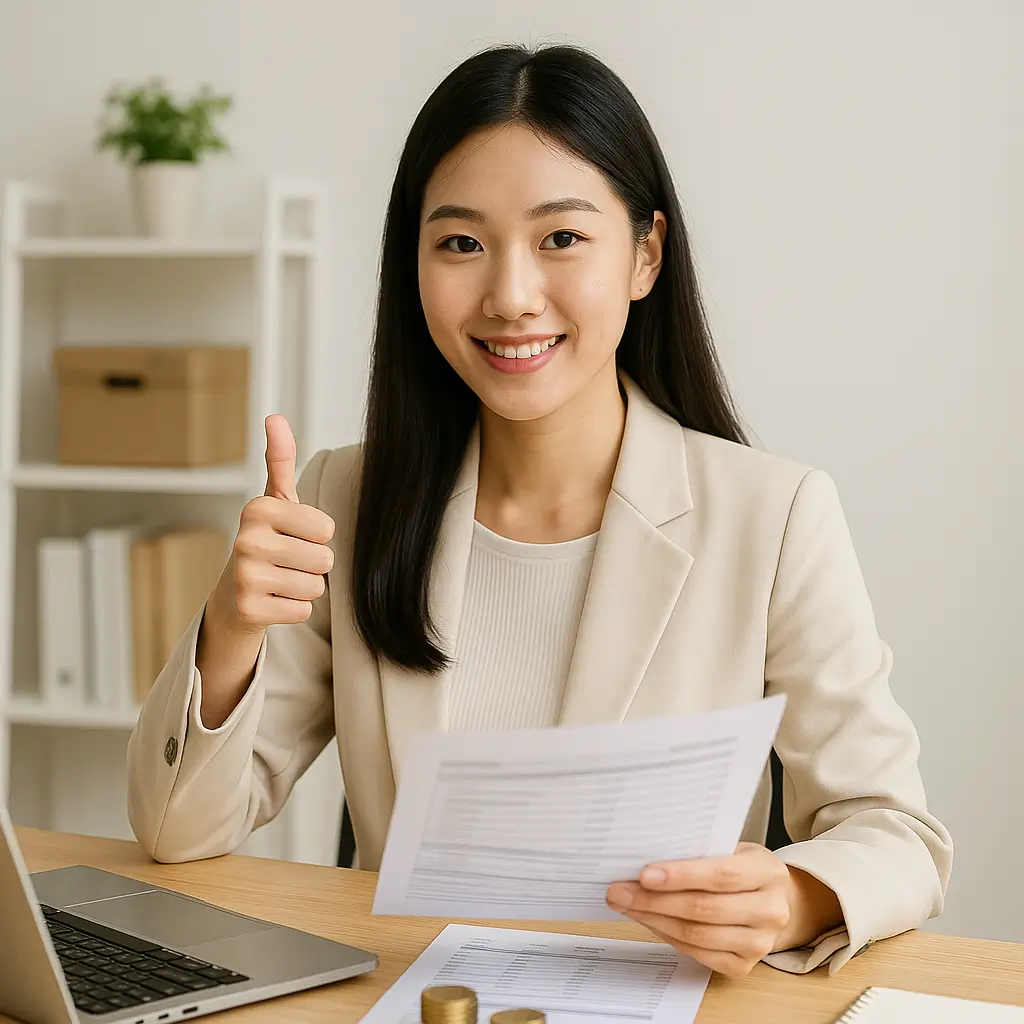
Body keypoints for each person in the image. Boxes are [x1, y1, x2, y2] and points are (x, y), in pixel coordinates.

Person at [126, 41, 952, 980]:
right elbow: (173, 833)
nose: (511, 297)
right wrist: (231, 627)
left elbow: (897, 834)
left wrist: (794, 894)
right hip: (411, 1001)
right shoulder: (341, 500)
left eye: (561, 238)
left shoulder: (775, 516)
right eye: (461, 243)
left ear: (645, 254)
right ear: (415, 264)